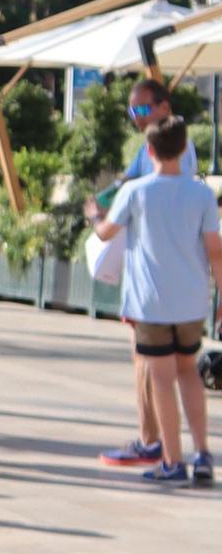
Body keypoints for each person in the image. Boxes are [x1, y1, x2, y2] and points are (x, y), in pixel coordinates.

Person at [91, 115, 222, 485]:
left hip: (150, 302)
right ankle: (203, 453)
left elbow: (105, 234)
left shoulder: (136, 192)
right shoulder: (202, 194)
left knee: (161, 379)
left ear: (149, 150)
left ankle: (172, 460)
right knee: (189, 373)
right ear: (184, 148)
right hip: (192, 300)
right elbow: (215, 250)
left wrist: (93, 217)